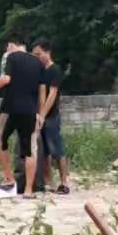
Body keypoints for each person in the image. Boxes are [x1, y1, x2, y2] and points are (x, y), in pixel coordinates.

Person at [0, 36, 46, 198]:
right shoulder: (38, 62)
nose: (6, 51)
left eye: (7, 47)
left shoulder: (11, 57)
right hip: (30, 111)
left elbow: (5, 79)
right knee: (30, 150)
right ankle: (28, 191)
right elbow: (42, 90)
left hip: (10, 109)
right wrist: (40, 113)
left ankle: (9, 178)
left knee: (0, 141)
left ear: (12, 45)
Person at [32, 40, 70, 194]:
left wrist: (43, 115)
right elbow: (41, 94)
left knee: (57, 149)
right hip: (40, 116)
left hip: (52, 116)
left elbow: (52, 94)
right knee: (44, 151)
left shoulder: (55, 70)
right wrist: (39, 116)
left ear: (47, 52)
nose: (37, 57)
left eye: (39, 54)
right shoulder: (40, 71)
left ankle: (64, 182)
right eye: (34, 55)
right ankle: (49, 183)